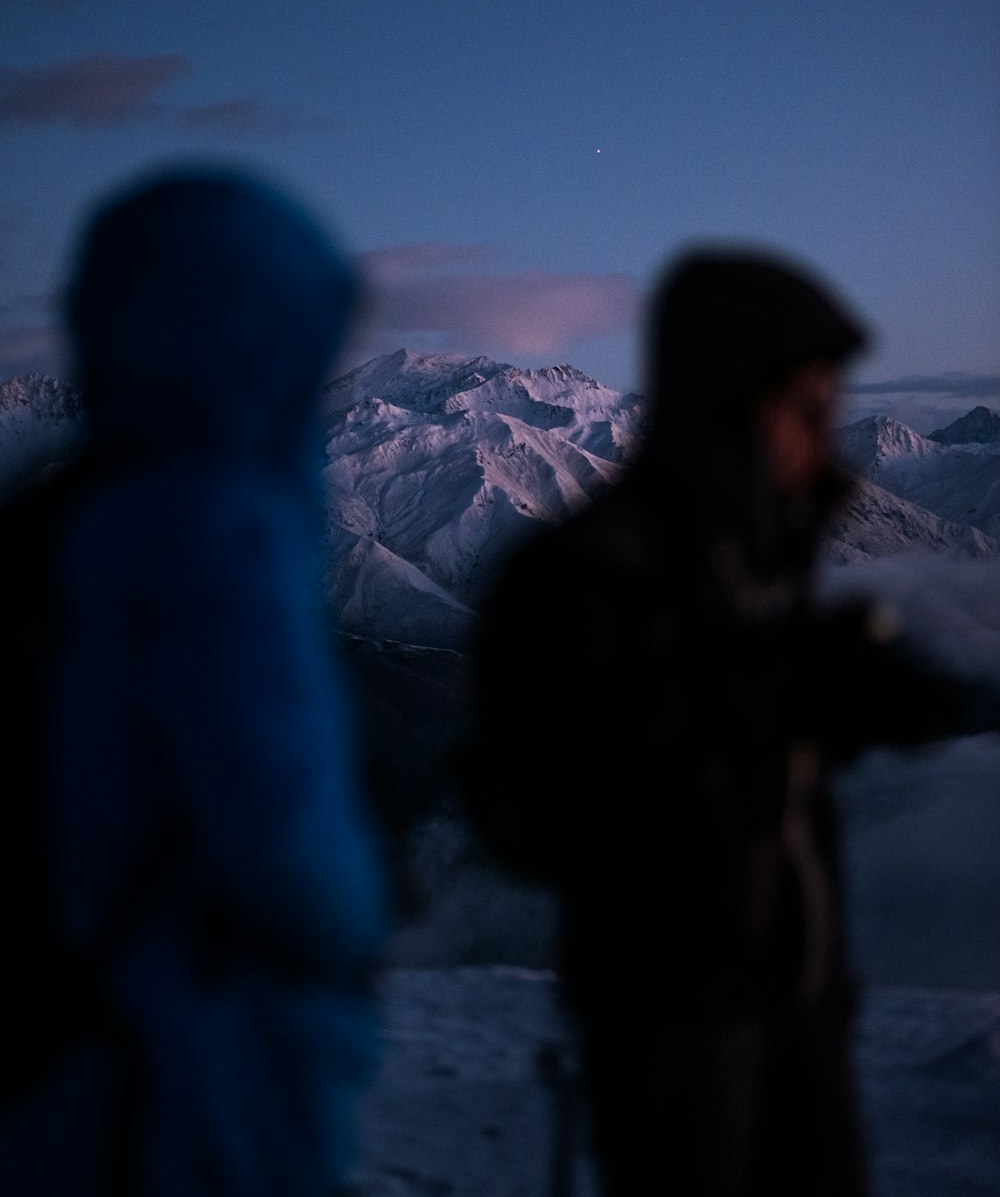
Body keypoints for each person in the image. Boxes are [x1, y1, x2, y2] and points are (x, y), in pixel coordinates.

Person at [461, 250, 984, 1196]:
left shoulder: (751, 563)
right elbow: (523, 809)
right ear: (734, 399)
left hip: (793, 1004)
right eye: (804, 401)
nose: (828, 429)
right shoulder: (587, 576)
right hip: (669, 1029)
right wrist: (745, 696)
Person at [0, 170, 387, 1195]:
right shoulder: (224, 536)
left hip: (60, 1054)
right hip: (190, 1070)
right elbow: (290, 839)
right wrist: (358, 926)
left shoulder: (58, 519)